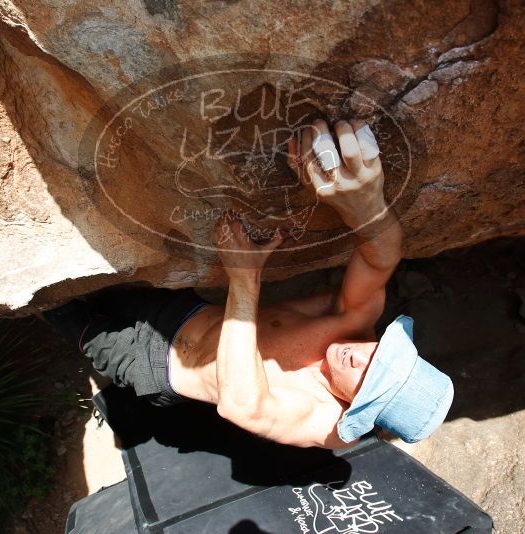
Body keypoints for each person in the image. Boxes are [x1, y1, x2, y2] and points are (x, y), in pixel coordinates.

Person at [44, 119, 453, 449]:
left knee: (56, 303)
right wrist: (364, 202)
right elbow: (379, 256)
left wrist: (244, 276)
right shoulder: (354, 324)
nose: (358, 357)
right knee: (97, 271)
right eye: (379, 354)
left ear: (355, 409)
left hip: (148, 362)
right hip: (180, 309)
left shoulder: (325, 424)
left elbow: (243, 406)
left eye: (367, 379)